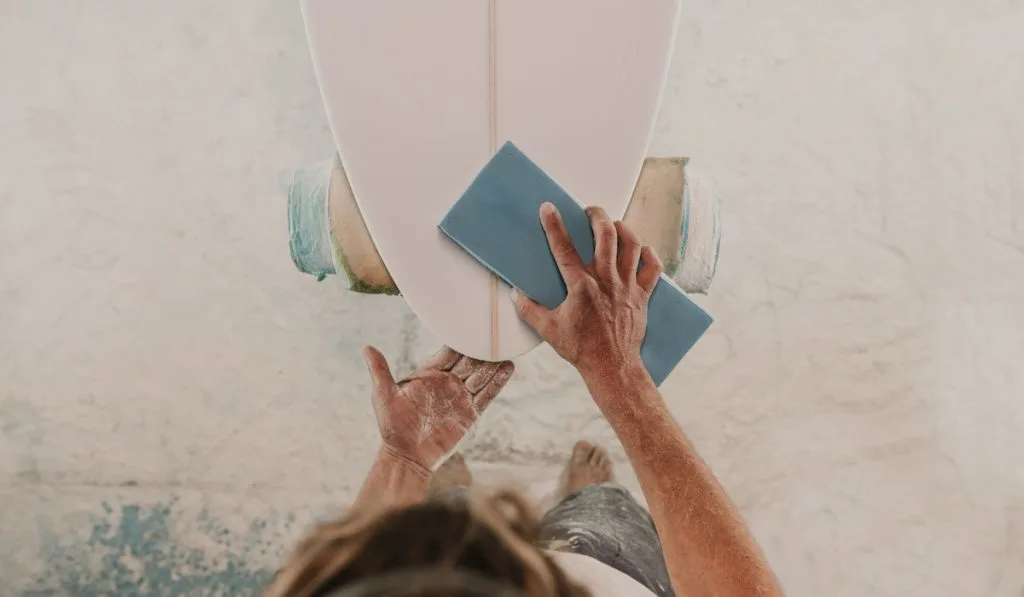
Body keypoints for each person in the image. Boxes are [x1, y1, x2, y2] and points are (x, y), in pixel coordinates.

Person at [266, 204, 783, 597]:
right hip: (607, 573)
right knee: (603, 522)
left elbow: (331, 583)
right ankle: (591, 499)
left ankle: (455, 500)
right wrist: (622, 379)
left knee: (445, 524)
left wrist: (404, 463)